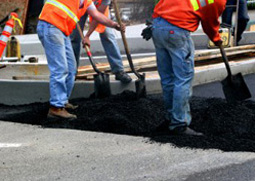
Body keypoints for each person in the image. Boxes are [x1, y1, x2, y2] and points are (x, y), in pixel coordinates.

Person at [37, 0, 124, 119]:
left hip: (62, 30)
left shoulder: (87, 2)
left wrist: (114, 24)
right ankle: (55, 108)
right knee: (60, 69)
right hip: (50, 26)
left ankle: (62, 101)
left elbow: (97, 15)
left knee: (71, 68)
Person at [151, 0, 226, 135]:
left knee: (168, 78)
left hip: (157, 27)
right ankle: (179, 123)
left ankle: (170, 118)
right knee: (183, 78)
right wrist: (216, 38)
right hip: (177, 31)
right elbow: (209, 22)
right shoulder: (218, 0)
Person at [70, 0, 132, 84]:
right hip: (79, 5)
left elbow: (98, 16)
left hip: (98, 10)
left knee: (107, 34)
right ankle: (72, 73)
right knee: (74, 37)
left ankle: (118, 70)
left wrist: (87, 36)